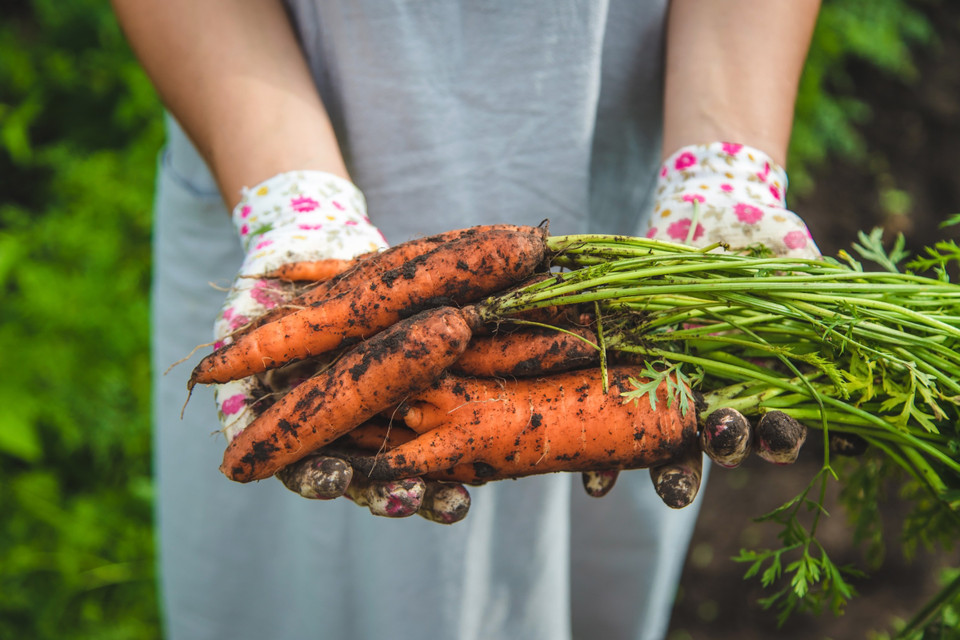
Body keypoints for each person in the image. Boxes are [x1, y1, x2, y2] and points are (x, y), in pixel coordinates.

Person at [111, 1, 823, 638]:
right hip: (262, 131)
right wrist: (290, 205)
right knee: (297, 573)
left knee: (606, 511)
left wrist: (721, 174)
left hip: (639, 211)